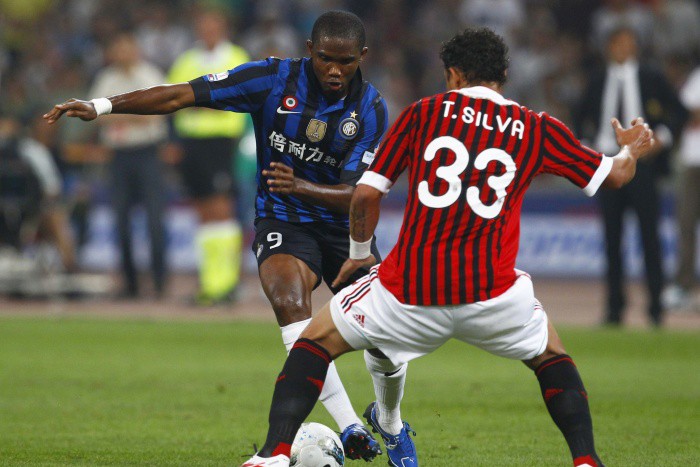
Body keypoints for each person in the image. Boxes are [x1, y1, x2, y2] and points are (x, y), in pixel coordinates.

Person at [239, 27, 656, 467]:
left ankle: (273, 454)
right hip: (492, 293)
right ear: (503, 74)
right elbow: (614, 175)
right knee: (551, 355)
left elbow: (365, 195)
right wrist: (629, 151)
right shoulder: (536, 128)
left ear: (453, 74)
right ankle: (586, 459)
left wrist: (359, 254)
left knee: (314, 343)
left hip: (410, 291)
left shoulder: (424, 114)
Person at [43, 10, 387, 462]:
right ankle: (343, 428)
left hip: (344, 230)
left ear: (362, 56)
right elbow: (180, 95)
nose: (335, 70)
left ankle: (390, 420)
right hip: (283, 220)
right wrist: (103, 106)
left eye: (346, 61)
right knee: (289, 302)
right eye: (326, 58)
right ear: (309, 51)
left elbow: (358, 196)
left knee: (383, 335)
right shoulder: (273, 79)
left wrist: (301, 185)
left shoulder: (371, 109)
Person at [576, 26, 688, 326]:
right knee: (612, 239)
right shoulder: (598, 79)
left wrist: (661, 138)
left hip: (642, 165)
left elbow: (677, 111)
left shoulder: (651, 77)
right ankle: (614, 309)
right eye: (618, 43)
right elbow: (579, 117)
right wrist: (587, 148)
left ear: (636, 46)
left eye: (629, 43)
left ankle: (656, 308)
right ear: (609, 47)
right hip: (606, 164)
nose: (624, 48)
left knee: (650, 236)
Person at [166, 8, 249, 305]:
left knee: (221, 208)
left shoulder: (236, 57)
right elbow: (172, 98)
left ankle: (226, 284)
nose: (208, 31)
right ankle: (210, 283)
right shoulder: (187, 60)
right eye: (203, 26)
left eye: (213, 26)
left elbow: (240, 96)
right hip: (191, 143)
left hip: (220, 141)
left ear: (223, 28)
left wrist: (201, 103)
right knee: (202, 210)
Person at [90, 31, 169, 299]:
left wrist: (116, 112)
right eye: (118, 48)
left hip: (148, 153)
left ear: (136, 50)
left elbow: (157, 114)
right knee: (120, 220)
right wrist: (136, 114)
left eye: (127, 48)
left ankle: (159, 282)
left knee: (155, 219)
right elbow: (94, 114)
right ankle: (130, 284)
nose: (122, 53)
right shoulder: (106, 78)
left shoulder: (149, 75)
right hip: (119, 155)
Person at [664, 66, 700, 310]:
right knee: (686, 225)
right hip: (692, 160)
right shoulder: (698, 76)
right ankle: (683, 287)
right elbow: (684, 110)